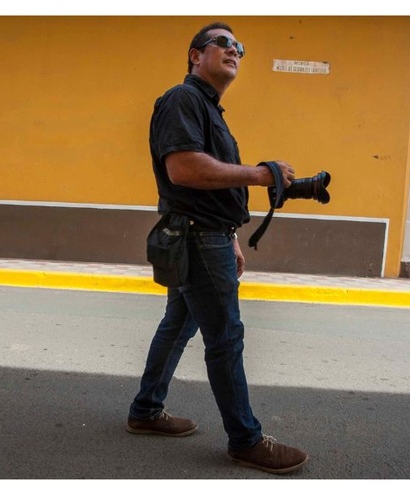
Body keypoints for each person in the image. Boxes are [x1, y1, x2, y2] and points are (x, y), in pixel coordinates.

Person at [126, 22, 309, 475]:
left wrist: (230, 236)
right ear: (195, 55)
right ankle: (245, 439)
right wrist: (261, 174)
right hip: (196, 237)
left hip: (206, 235)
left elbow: (208, 185)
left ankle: (146, 410)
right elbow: (185, 169)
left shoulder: (208, 109)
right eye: (223, 44)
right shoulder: (182, 99)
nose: (234, 51)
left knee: (178, 324)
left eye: (239, 47)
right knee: (225, 338)